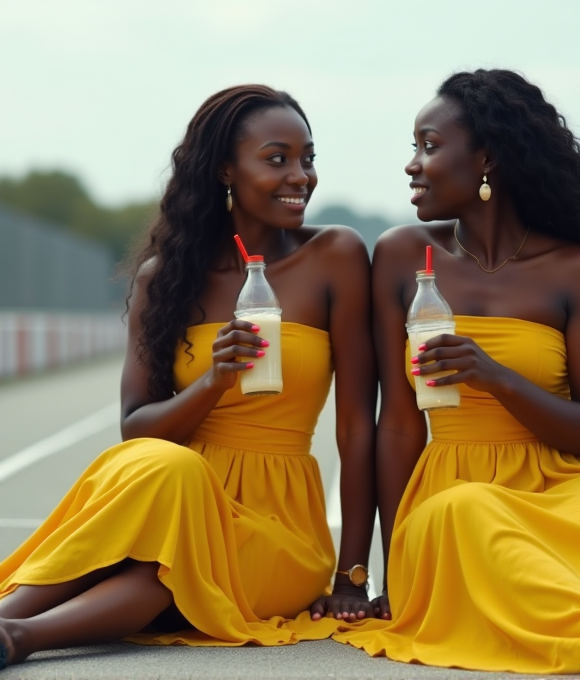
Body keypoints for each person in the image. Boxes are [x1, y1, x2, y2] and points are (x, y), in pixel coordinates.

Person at [0, 85, 377, 669]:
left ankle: (19, 637)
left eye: (308, 158)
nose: (300, 175)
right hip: (174, 486)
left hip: (278, 524)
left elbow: (356, 429)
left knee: (173, 562)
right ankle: (8, 623)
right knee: (166, 467)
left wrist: (352, 575)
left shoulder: (336, 256)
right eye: (277, 159)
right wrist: (212, 384)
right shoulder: (166, 276)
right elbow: (136, 429)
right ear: (225, 169)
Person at [335, 69, 580, 675]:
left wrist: (498, 378)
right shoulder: (398, 255)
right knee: (473, 513)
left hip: (563, 484)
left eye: (429, 146)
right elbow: (397, 427)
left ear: (487, 159)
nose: (413, 164)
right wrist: (395, 569)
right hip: (451, 499)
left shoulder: (577, 270)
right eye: (414, 147)